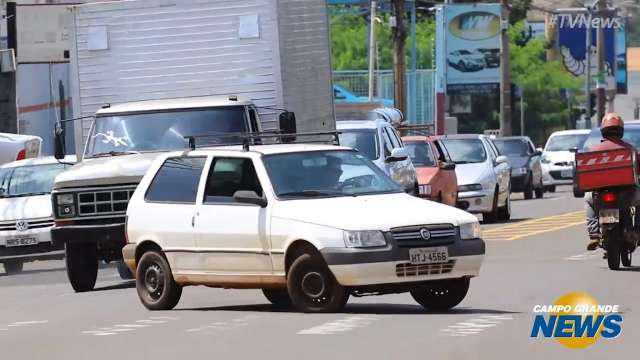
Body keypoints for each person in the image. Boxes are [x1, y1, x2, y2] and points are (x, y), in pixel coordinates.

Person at [585, 113, 634, 251]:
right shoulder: (630, 149)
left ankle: (594, 234)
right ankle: (635, 232)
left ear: (603, 131)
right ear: (621, 130)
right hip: (627, 194)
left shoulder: (594, 151)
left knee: (588, 199)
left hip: (600, 195)